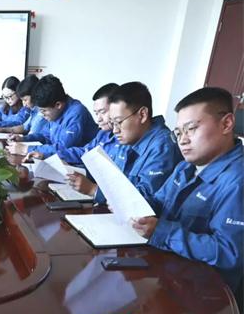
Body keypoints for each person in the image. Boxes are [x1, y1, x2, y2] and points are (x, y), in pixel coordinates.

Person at [132, 87, 243, 302]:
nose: (182, 140)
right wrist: (133, 203)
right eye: (178, 133)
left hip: (206, 294)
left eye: (191, 129)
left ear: (227, 124)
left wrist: (162, 232)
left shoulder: (237, 181)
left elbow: (228, 252)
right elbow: (159, 202)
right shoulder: (185, 168)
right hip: (168, 269)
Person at [70, 82, 182, 204]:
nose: (115, 130)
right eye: (113, 123)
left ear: (142, 115)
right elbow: (115, 182)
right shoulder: (130, 137)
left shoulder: (163, 147)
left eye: (119, 122)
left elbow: (143, 201)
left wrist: (93, 190)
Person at [9, 74, 98, 159]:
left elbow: (63, 148)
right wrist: (23, 139)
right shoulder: (54, 111)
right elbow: (45, 136)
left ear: (58, 105)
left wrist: (26, 149)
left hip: (80, 163)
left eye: (44, 111)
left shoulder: (76, 113)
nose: (42, 115)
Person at [0, 75, 47, 140]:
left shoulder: (41, 113)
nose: (24, 104)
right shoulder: (34, 111)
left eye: (25, 100)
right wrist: (2, 129)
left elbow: (32, 135)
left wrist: (22, 139)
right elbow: (24, 127)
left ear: (34, 96)